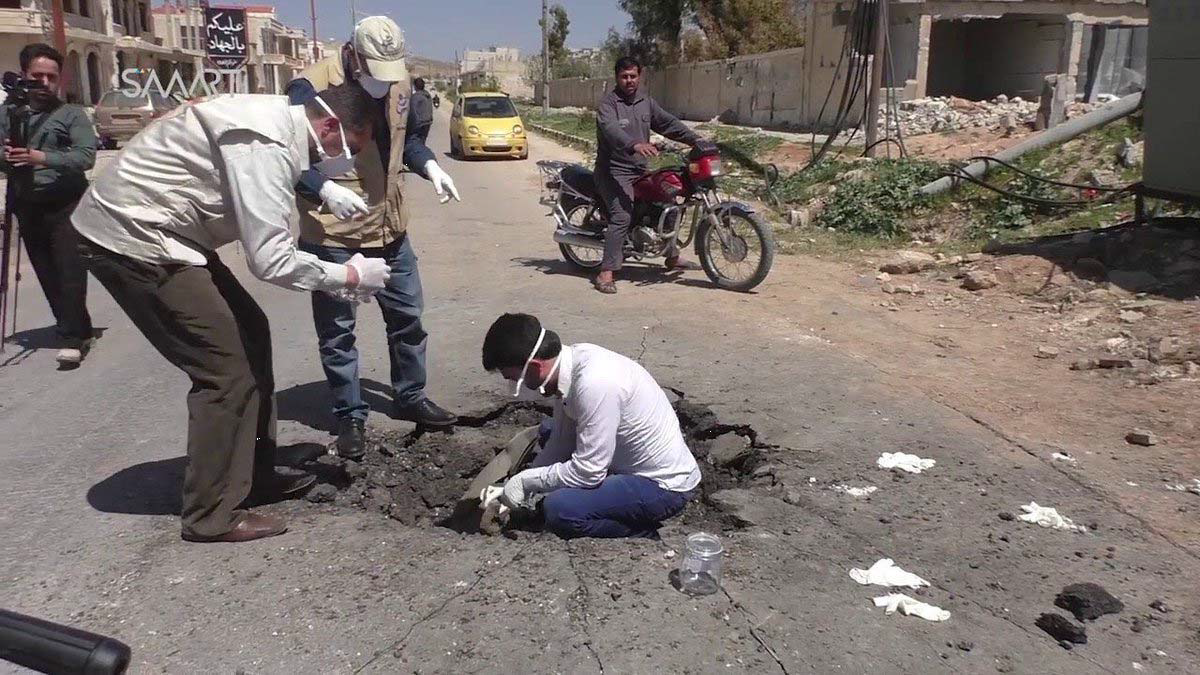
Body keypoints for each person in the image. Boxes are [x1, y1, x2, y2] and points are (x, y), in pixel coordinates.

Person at [72, 84, 392, 543]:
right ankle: (211, 513)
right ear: (329, 126)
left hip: (172, 234)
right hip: (133, 239)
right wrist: (349, 277)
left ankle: (254, 473)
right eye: (351, 148)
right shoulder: (267, 146)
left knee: (252, 332)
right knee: (225, 370)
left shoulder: (276, 125)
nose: (345, 161)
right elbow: (272, 260)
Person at [286, 16, 459, 462]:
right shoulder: (308, 88)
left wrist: (431, 167)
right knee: (338, 332)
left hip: (390, 227)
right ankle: (350, 415)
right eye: (375, 70)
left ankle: (410, 396)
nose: (384, 82)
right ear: (354, 55)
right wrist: (322, 187)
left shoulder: (399, 82)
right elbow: (282, 158)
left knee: (408, 318)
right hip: (334, 234)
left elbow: (408, 143)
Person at [482, 313, 701, 539]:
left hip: (662, 486)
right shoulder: (569, 364)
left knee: (561, 510)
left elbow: (589, 472)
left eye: (513, 379)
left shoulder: (594, 384)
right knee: (548, 431)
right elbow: (560, 442)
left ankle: (642, 536)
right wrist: (522, 482)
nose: (512, 384)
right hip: (623, 462)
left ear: (536, 367)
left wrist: (526, 482)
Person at [0, 43, 97, 365]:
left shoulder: (71, 114)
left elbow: (85, 157)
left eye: (51, 77)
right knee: (46, 271)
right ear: (24, 75)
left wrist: (40, 157)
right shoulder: (8, 114)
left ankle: (72, 339)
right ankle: (75, 326)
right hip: (27, 203)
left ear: (59, 80)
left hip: (67, 203)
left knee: (70, 270)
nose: (44, 82)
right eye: (36, 75)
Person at [593, 56, 705, 295]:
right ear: (617, 77)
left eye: (633, 76)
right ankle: (606, 272)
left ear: (639, 76)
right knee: (622, 215)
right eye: (624, 76)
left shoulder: (645, 101)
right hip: (612, 171)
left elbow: (667, 123)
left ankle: (672, 257)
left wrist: (694, 138)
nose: (629, 81)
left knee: (669, 201)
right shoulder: (608, 104)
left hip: (639, 168)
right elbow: (611, 130)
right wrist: (634, 144)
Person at [408, 77, 434, 144]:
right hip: (427, 122)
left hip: (419, 124)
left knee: (414, 143)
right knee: (422, 142)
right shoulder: (427, 95)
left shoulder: (416, 97)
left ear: (415, 86)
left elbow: (413, 112)